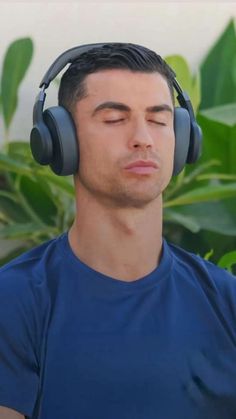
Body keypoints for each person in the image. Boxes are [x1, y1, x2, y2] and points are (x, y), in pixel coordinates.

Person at [0, 43, 235, 419]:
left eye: (159, 120)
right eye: (114, 119)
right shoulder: (13, 301)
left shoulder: (226, 300)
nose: (143, 138)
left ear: (183, 140)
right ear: (61, 142)